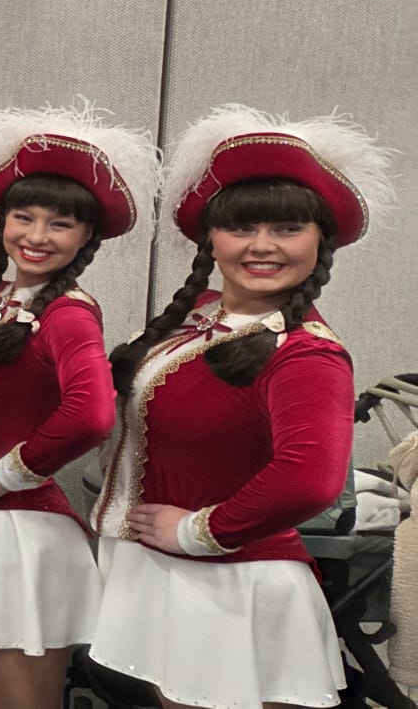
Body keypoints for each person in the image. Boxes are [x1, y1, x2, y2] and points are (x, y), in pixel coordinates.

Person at [90, 105, 391, 709]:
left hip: (234, 582)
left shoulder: (306, 352)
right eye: (242, 227)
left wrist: (199, 530)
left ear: (320, 240)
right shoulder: (200, 320)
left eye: (287, 228)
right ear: (212, 238)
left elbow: (309, 478)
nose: (262, 246)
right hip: (173, 572)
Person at [0, 106, 158, 709]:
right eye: (23, 217)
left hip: (22, 531)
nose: (36, 235)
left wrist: (4, 473)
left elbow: (91, 414)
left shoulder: (69, 312)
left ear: (86, 238)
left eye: (60, 224)